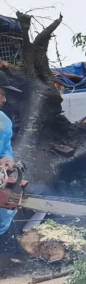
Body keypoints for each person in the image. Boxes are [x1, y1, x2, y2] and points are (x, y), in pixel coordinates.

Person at [0, 84, 21, 236]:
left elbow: (6, 146)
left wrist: (7, 158)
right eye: (0, 94)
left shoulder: (4, 120)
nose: (4, 100)